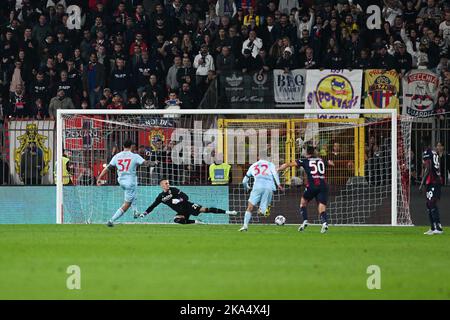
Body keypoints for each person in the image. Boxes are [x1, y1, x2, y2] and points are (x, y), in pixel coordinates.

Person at [96, 139, 158, 227]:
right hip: (130, 182)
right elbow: (146, 163)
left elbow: (108, 168)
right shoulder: (134, 156)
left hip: (121, 181)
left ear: (123, 146)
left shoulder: (117, 156)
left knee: (133, 192)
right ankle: (111, 220)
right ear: (132, 146)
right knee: (127, 204)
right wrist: (154, 163)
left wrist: (99, 177)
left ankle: (135, 212)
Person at [278, 145, 334, 233]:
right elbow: (331, 163)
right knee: (321, 206)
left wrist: (278, 169)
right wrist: (329, 162)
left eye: (304, 151)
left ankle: (305, 221)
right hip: (323, 185)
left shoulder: (304, 161)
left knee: (303, 202)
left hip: (312, 185)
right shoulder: (321, 160)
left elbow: (288, 164)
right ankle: (325, 223)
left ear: (307, 153)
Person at [137, 179, 237, 224]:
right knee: (177, 220)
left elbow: (186, 196)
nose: (168, 184)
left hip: (188, 206)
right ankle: (196, 222)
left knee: (207, 209)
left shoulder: (174, 189)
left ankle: (228, 212)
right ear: (161, 185)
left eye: (168, 183)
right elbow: (153, 206)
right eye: (166, 183)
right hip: (181, 212)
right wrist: (144, 213)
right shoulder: (161, 197)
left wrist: (179, 199)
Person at [239, 158, 283, 232]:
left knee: (250, 207)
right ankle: (264, 209)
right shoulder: (270, 164)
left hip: (257, 187)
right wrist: (278, 184)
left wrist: (247, 187)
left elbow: (244, 181)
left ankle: (245, 226)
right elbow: (275, 174)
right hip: (269, 187)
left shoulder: (253, 165)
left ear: (258, 158)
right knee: (263, 208)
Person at [419, 141, 444, 235]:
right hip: (434, 181)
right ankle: (433, 227)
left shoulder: (427, 153)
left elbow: (428, 168)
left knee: (431, 203)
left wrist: (422, 183)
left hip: (433, 181)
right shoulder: (434, 153)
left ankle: (439, 227)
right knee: (429, 204)